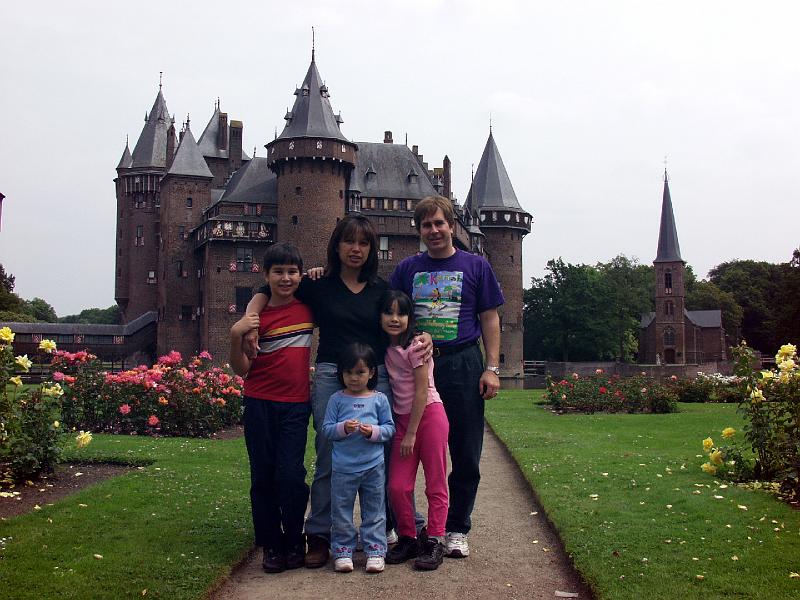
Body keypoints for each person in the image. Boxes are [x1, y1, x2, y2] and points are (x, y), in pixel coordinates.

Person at [245, 214, 429, 568]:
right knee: (330, 453)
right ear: (337, 246)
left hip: (376, 378)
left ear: (372, 248)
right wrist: (251, 319)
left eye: (363, 242)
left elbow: (404, 322)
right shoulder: (318, 284)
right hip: (332, 376)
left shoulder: (381, 289)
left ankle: (394, 527)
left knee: (384, 453)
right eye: (349, 241)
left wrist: (426, 336)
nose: (356, 249)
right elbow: (270, 287)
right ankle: (320, 534)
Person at [390, 195, 504, 559]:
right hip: (418, 366)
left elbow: (490, 318)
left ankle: (456, 528)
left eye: (440, 223)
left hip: (462, 362)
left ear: (452, 225)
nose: (434, 230)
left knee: (466, 451)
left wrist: (492, 367)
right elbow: (383, 307)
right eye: (427, 225)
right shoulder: (407, 269)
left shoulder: (476, 266)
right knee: (408, 450)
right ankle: (412, 526)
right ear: (419, 230)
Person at [229, 242, 314, 573]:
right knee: (262, 474)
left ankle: (294, 538)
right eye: (278, 272)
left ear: (300, 275)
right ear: (266, 275)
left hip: (295, 404)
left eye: (292, 271)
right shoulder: (255, 317)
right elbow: (241, 369)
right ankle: (271, 544)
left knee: (291, 475)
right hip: (260, 401)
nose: (286, 278)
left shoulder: (308, 307)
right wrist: (236, 335)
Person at [381, 290, 449, 571]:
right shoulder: (386, 348)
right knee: (397, 485)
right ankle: (409, 536)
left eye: (401, 313)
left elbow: (422, 391)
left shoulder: (417, 346)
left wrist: (411, 432)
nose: (395, 319)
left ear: (411, 318)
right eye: (389, 313)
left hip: (429, 416)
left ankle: (435, 539)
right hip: (402, 420)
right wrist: (405, 429)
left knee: (435, 481)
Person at [322, 342, 395, 573]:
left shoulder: (379, 399)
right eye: (349, 372)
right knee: (341, 511)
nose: (354, 378)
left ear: (371, 372)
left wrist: (373, 432)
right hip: (343, 467)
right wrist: (343, 428)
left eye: (360, 372)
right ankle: (343, 550)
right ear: (341, 373)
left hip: (373, 466)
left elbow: (389, 428)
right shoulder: (336, 399)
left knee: (374, 510)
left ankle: (375, 550)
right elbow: (326, 429)